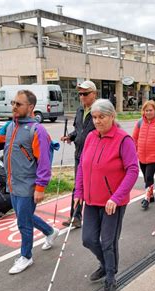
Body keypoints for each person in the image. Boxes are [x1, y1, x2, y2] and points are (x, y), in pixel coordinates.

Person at [0, 90, 59, 274]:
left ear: (30, 107)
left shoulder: (37, 130)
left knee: (23, 222)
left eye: (18, 104)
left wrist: (40, 188)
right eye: (13, 103)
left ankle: (26, 257)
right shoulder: (9, 126)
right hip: (11, 182)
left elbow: (44, 163)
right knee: (24, 216)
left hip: (27, 185)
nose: (13, 106)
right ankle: (49, 231)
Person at [74, 99, 139, 291]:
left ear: (112, 116)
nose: (97, 121)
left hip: (112, 202)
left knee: (108, 242)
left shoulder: (123, 140)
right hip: (92, 200)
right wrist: (78, 192)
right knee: (88, 239)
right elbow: (83, 167)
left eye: (101, 117)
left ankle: (110, 278)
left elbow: (133, 170)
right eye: (94, 117)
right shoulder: (91, 137)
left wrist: (116, 197)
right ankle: (106, 264)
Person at [60, 80, 97, 228]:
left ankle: (97, 216)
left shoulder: (99, 110)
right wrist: (70, 136)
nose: (82, 97)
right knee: (78, 186)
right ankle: (75, 217)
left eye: (85, 94)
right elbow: (79, 130)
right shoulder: (79, 110)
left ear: (94, 94)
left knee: (94, 186)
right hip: (79, 154)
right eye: (80, 94)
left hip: (94, 156)